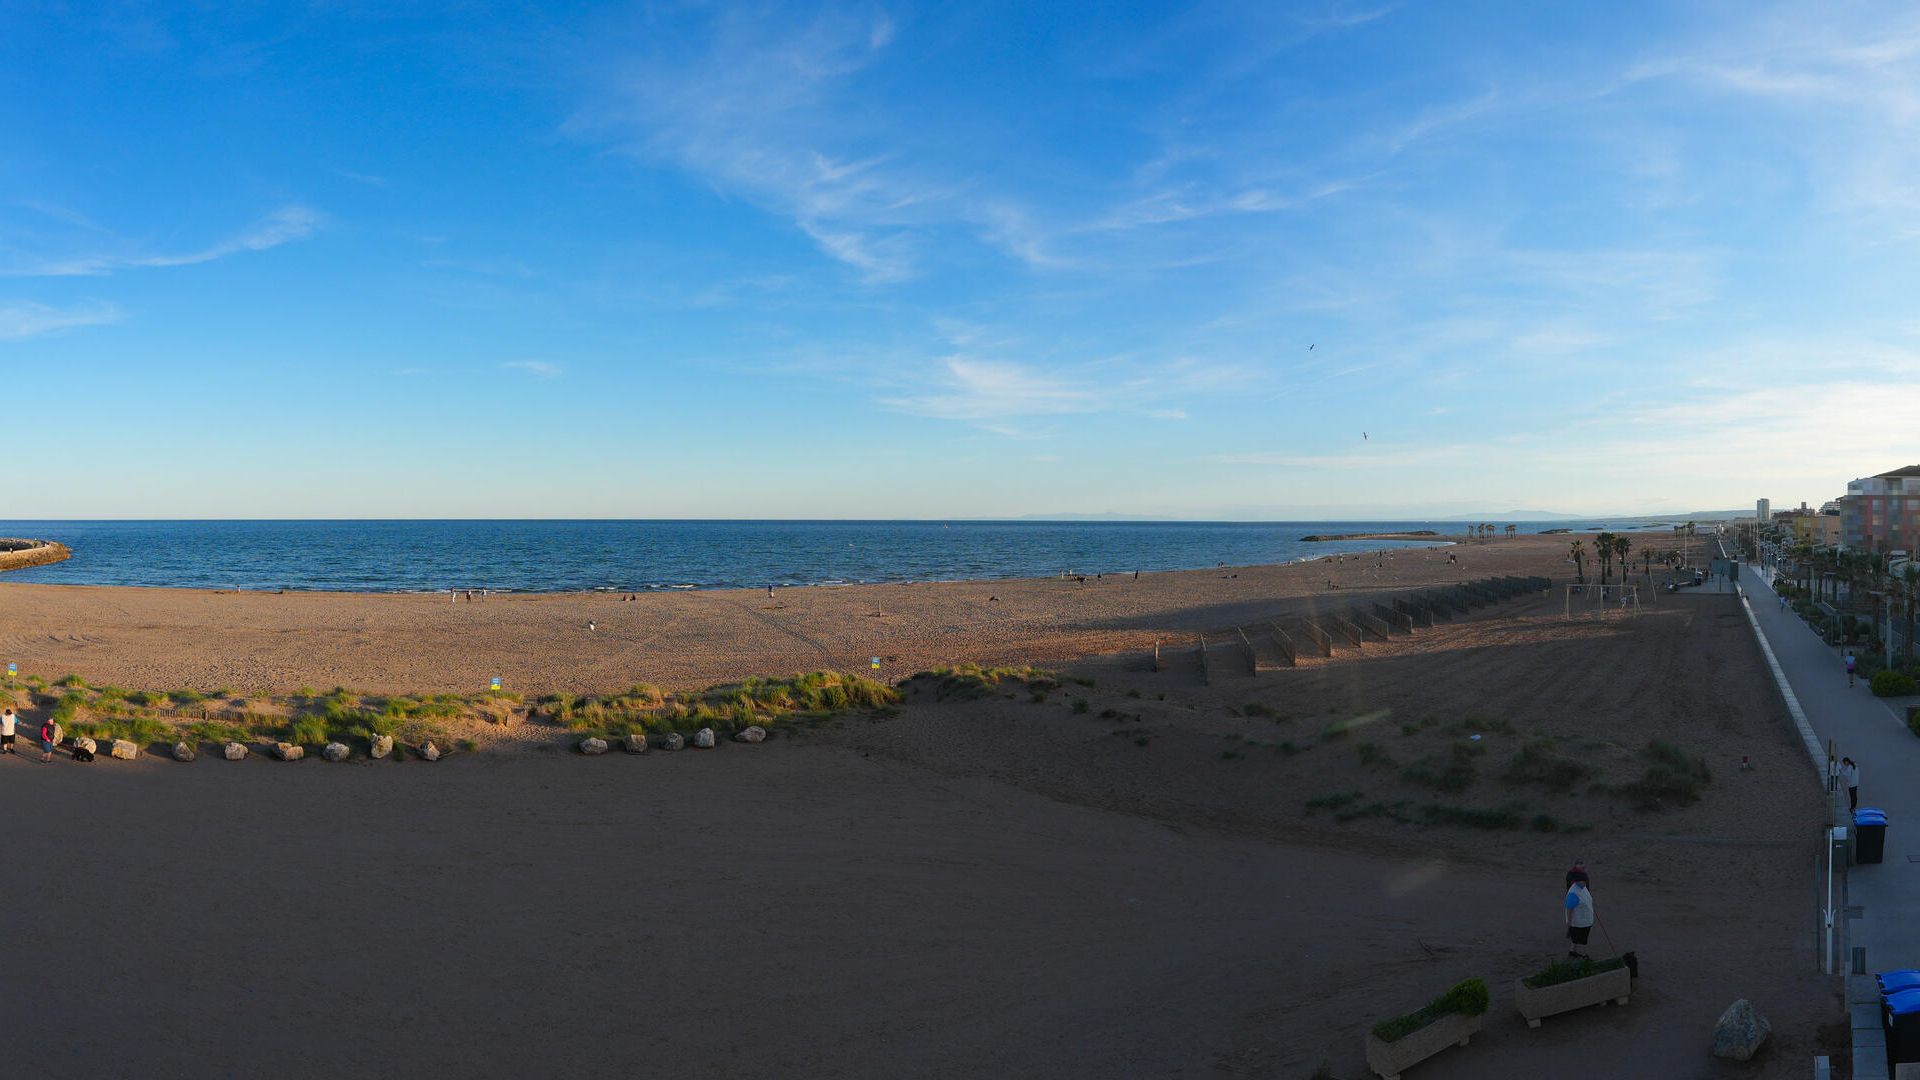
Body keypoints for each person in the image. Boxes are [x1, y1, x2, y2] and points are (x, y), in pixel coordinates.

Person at [1564, 868, 1595, 959]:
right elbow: (1569, 908)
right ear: (1577, 881)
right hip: (1578, 921)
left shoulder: (1582, 888)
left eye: (1585, 881)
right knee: (1582, 939)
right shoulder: (1573, 893)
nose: (1585, 883)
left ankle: (1572, 952)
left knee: (1576, 938)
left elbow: (1586, 899)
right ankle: (1584, 955)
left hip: (1584, 919)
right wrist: (1569, 922)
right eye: (1583, 881)